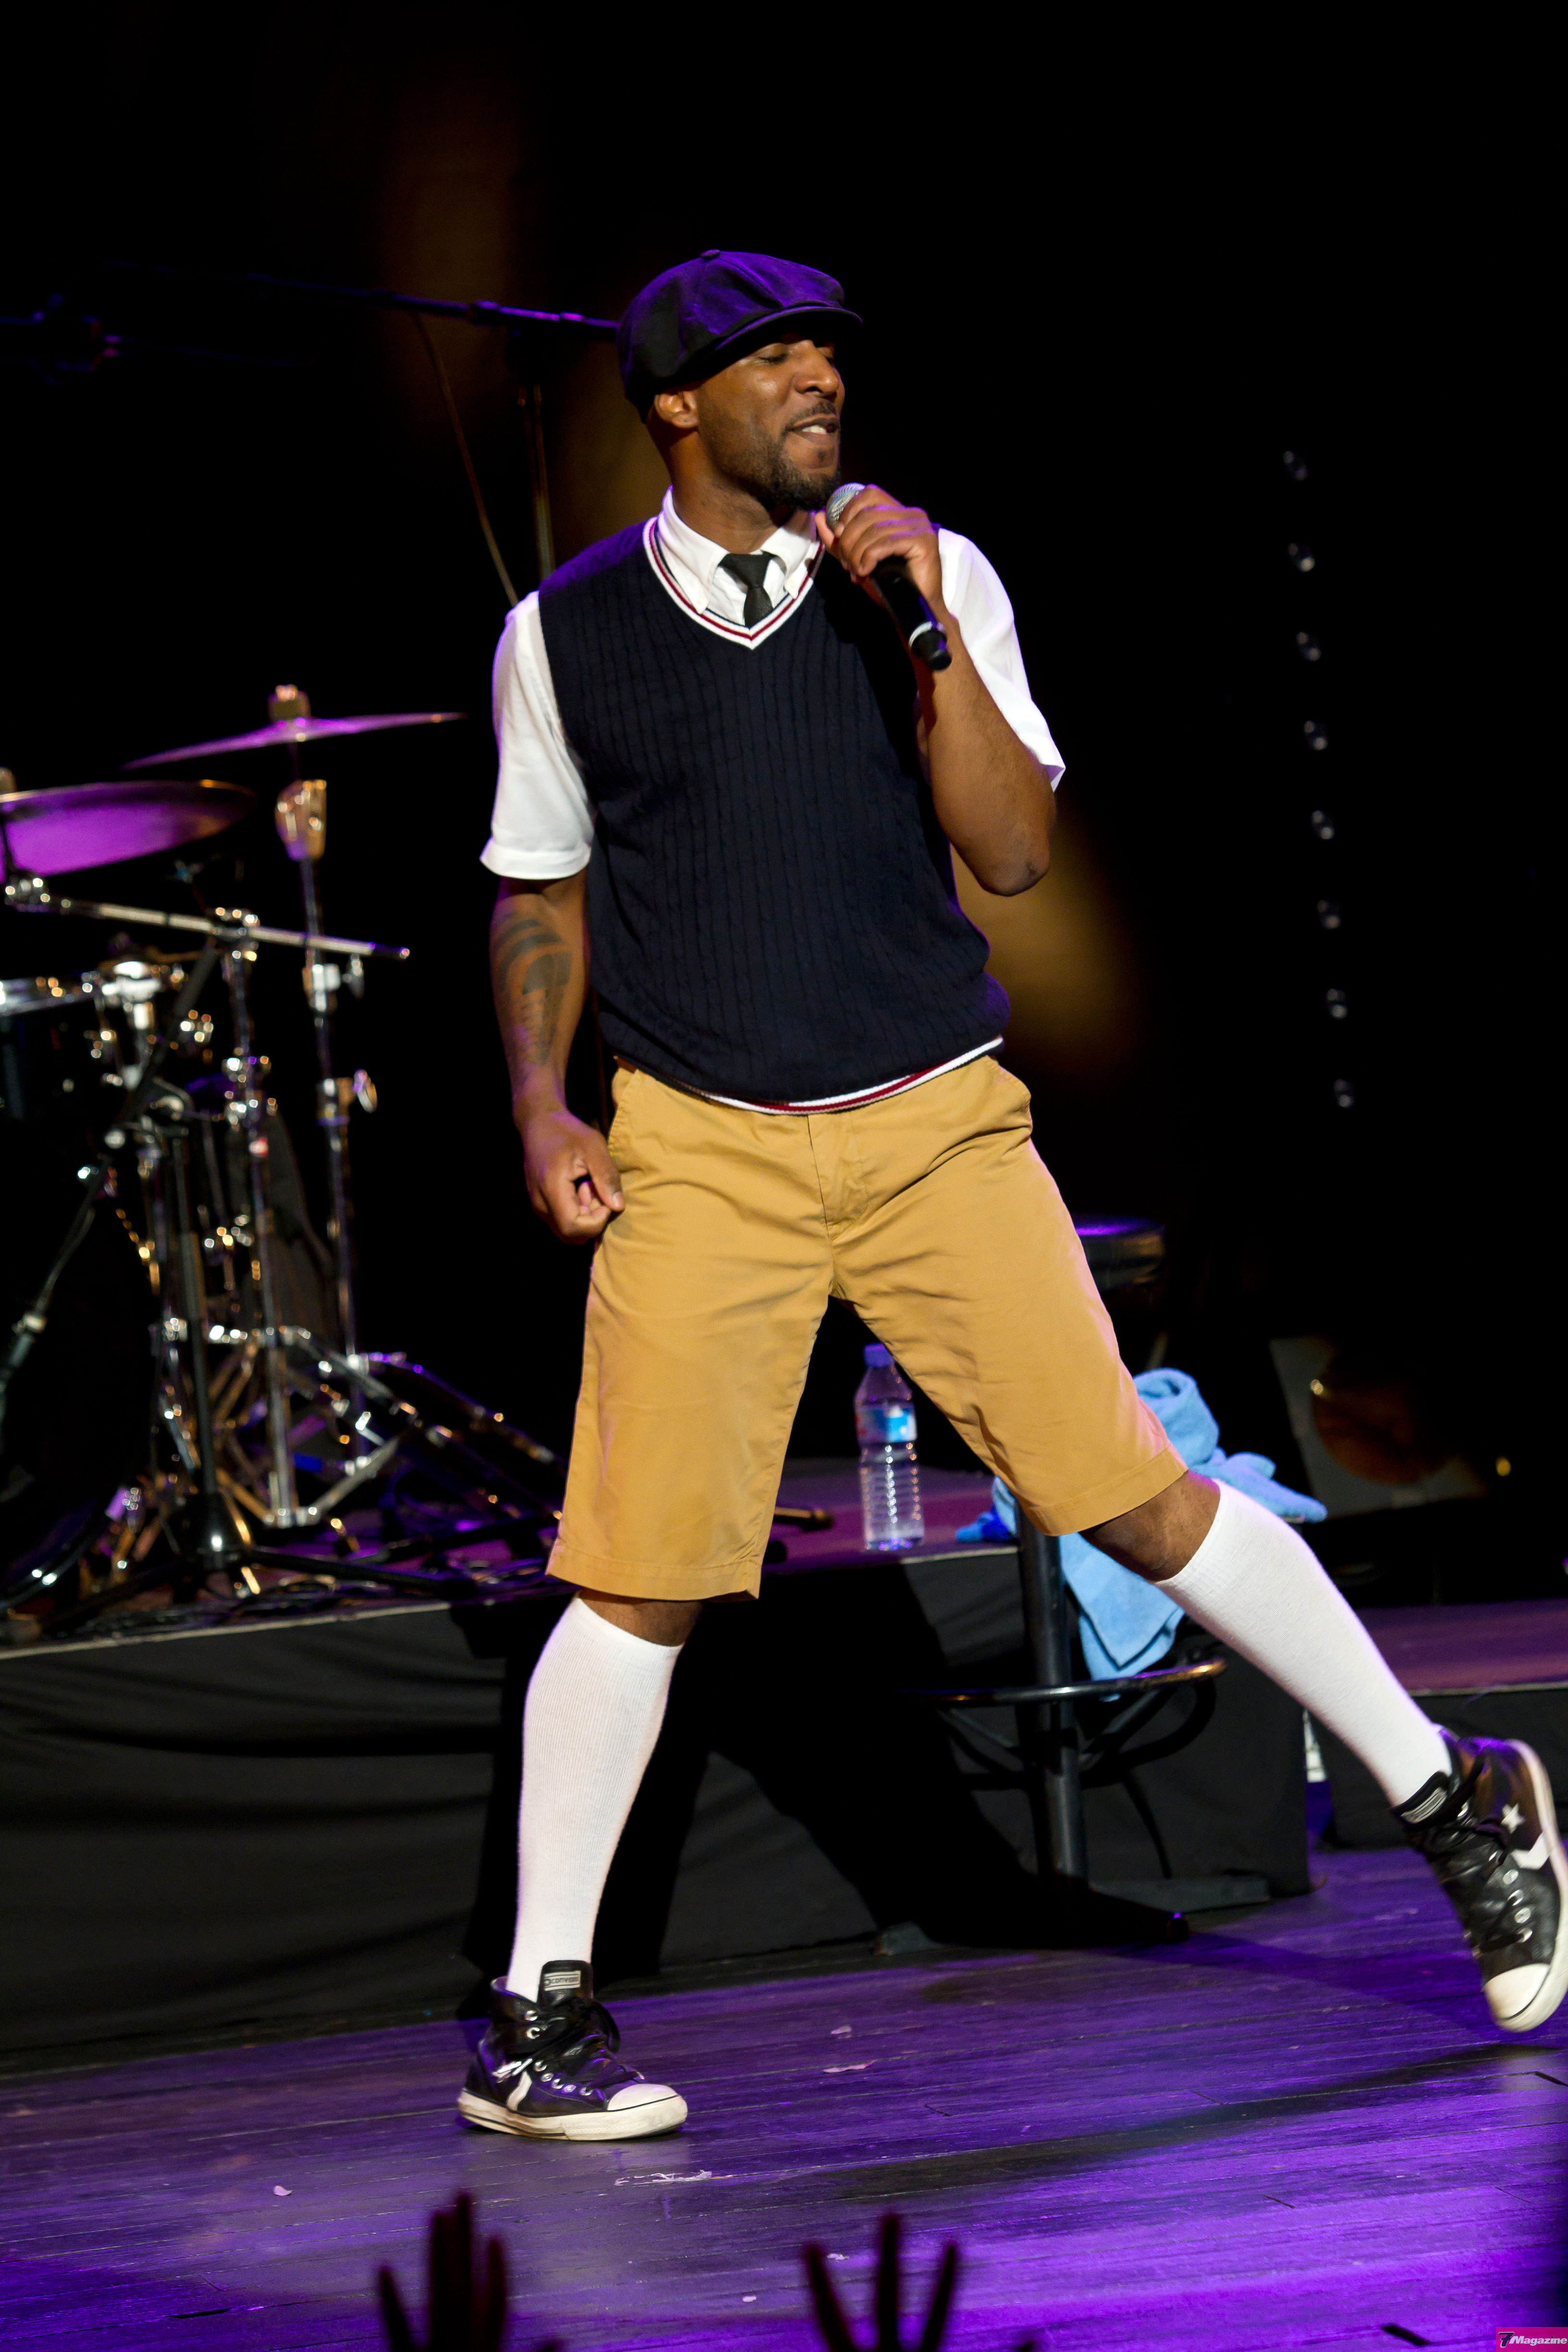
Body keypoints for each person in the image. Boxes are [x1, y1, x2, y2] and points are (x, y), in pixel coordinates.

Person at [460, 251, 1566, 2143]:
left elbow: (1015, 849)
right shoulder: (560, 636)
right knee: (638, 1564)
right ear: (677, 406)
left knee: (1132, 1494)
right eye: (772, 359)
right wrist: (541, 1105)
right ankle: (534, 2017)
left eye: (827, 354)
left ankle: (1460, 1802)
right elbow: (538, 888)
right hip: (704, 1143)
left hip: (931, 1128)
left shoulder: (931, 578)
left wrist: (923, 635)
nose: (818, 380)